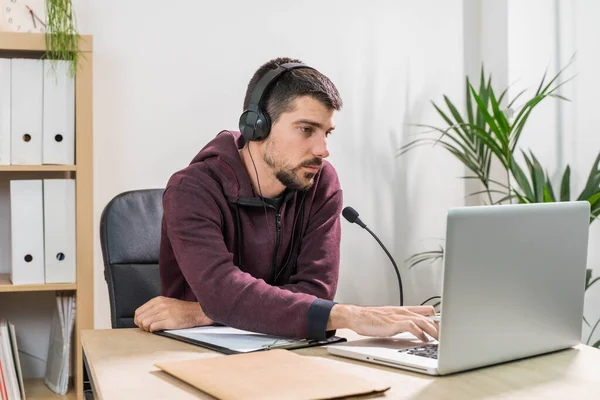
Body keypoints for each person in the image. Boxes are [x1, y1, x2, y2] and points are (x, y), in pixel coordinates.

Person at [133, 57, 439, 343]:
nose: (322, 149)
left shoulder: (322, 183)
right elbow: (222, 291)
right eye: (306, 129)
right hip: (195, 352)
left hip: (287, 345)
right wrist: (348, 315)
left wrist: (204, 310)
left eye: (327, 133)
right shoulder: (192, 190)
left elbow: (316, 290)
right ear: (256, 126)